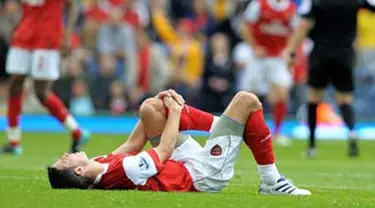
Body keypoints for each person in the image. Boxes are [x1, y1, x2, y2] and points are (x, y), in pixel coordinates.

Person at [47, 89, 311, 195]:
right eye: (65, 160)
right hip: (201, 175)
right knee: (247, 101)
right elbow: (161, 152)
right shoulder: (123, 172)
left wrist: (155, 107)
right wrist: (174, 112)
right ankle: (271, 181)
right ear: (77, 171)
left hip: (182, 162)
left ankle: (225, 126)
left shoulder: (100, 165)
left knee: (150, 107)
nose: (66, 154)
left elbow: (132, 145)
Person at [284, 0, 375, 157]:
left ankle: (312, 146)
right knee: (345, 99)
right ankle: (352, 135)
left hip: (320, 53)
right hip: (344, 54)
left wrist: (292, 51)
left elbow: (304, 24)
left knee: (314, 97)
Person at [2, 0, 90, 155]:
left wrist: (67, 34)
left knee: (41, 91)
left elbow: (72, 6)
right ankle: (14, 142)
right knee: (15, 84)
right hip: (24, 33)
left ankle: (77, 131)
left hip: (48, 34)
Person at [241, 0, 298, 146]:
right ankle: (242, 131)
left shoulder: (291, 8)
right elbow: (244, 26)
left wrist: (289, 50)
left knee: (281, 92)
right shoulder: (259, 5)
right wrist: (254, 47)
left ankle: (277, 132)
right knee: (250, 95)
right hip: (259, 58)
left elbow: (296, 31)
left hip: (278, 59)